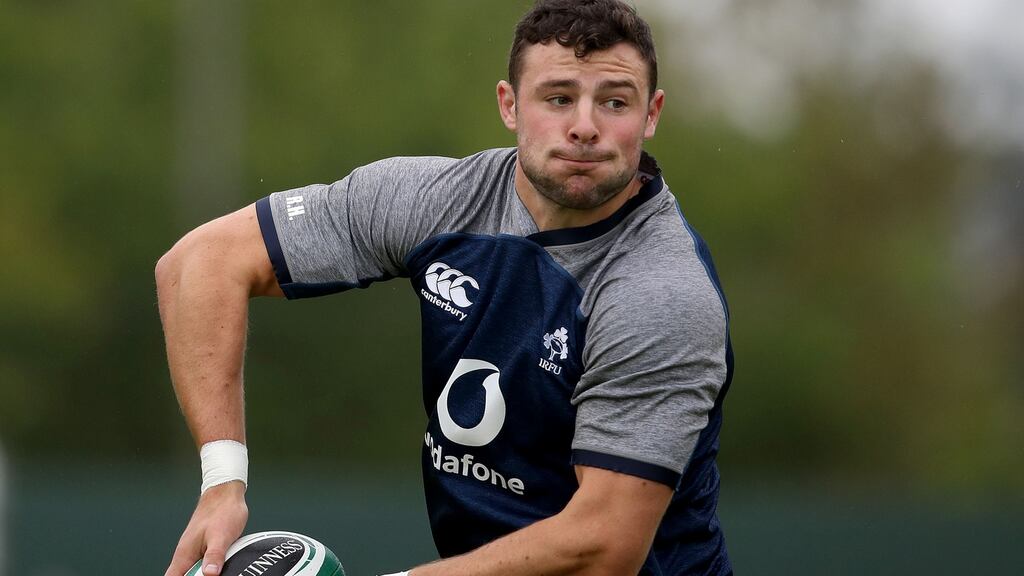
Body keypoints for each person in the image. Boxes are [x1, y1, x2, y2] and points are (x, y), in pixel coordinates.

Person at [157, 0, 734, 574]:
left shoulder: (662, 294)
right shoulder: (438, 200)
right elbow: (199, 262)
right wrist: (221, 482)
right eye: (558, 98)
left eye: (614, 102)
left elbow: (602, 549)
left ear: (652, 113)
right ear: (510, 105)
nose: (584, 126)